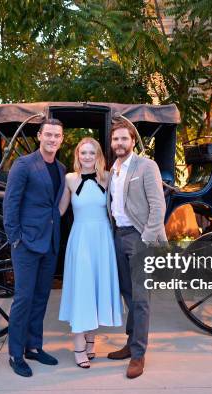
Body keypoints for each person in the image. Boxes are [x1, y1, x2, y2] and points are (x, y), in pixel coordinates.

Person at [3, 118, 66, 377]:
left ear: (61, 139)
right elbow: (11, 203)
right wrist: (15, 238)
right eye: (48, 134)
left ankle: (34, 347)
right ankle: (15, 353)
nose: (52, 139)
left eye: (57, 136)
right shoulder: (24, 165)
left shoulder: (61, 168)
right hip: (26, 243)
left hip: (49, 242)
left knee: (41, 297)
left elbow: (56, 205)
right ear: (40, 136)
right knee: (24, 298)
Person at [106, 119, 167, 379]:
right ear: (112, 143)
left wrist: (147, 239)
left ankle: (139, 355)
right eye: (115, 139)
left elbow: (158, 207)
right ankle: (131, 344)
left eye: (124, 139)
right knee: (128, 294)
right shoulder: (113, 169)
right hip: (118, 236)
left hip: (139, 237)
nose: (119, 143)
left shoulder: (146, 166)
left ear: (132, 141)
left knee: (141, 299)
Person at [58, 138, 123, 369]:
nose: (87, 156)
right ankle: (78, 347)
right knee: (82, 289)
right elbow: (60, 210)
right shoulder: (69, 179)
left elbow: (122, 204)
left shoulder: (108, 177)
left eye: (91, 152)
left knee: (95, 288)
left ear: (98, 156)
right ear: (77, 155)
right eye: (83, 152)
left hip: (102, 238)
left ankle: (90, 341)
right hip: (81, 239)